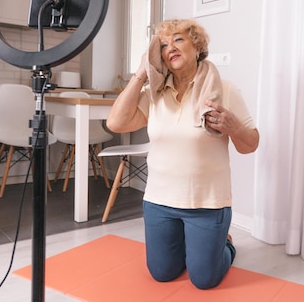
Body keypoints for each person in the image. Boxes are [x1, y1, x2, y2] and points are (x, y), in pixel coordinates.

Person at [107, 18, 260, 289]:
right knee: (162, 273)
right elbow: (115, 123)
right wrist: (141, 73)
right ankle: (197, 245)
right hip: (159, 201)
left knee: (204, 279)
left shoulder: (224, 90)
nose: (170, 48)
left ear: (197, 46)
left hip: (207, 204)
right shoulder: (154, 93)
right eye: (163, 45)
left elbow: (251, 144)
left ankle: (225, 244)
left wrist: (233, 127)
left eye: (178, 39)